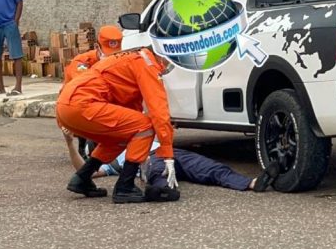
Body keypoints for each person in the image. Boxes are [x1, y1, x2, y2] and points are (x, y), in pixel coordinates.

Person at [56, 46, 176, 204]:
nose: (169, 66)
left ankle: (82, 178)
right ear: (161, 55)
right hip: (83, 105)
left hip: (66, 108)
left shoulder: (131, 58)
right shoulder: (147, 64)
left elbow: (131, 111)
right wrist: (167, 154)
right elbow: (159, 110)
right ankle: (125, 187)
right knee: (146, 126)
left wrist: (140, 148)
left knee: (125, 132)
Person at [61, 127, 280, 197]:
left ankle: (252, 183)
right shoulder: (113, 161)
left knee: (211, 168)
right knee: (158, 174)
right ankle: (160, 192)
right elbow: (86, 172)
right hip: (153, 160)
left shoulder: (129, 128)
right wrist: (70, 143)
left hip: (170, 153)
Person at [61, 24, 123, 160]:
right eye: (108, 54)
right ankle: (84, 147)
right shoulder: (82, 62)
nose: (111, 58)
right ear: (97, 47)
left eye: (115, 54)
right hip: (74, 103)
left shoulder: (120, 59)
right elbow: (83, 88)